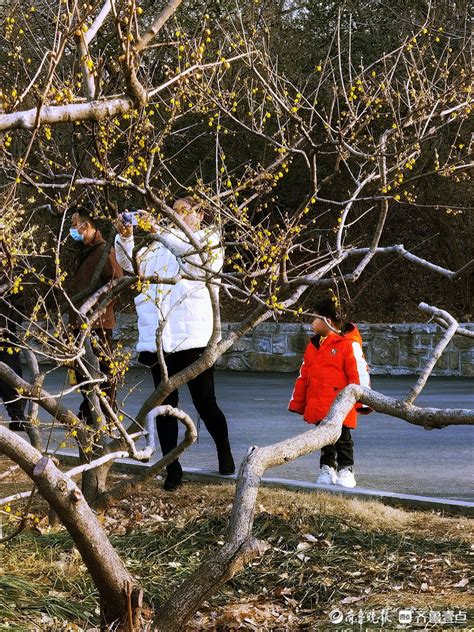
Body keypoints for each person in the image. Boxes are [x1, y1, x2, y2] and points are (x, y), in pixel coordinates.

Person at [115, 197, 235, 491]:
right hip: (160, 342)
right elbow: (132, 267)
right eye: (174, 212)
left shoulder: (208, 240)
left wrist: (159, 231)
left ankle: (224, 451)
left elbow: (196, 262)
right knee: (164, 408)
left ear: (200, 214)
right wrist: (126, 239)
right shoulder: (155, 246)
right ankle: (172, 468)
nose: (178, 216)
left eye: (184, 211)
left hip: (193, 338)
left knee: (205, 402)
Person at [288, 299, 371, 488]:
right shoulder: (314, 346)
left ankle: (346, 469)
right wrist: (298, 402)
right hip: (319, 404)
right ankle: (327, 468)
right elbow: (304, 376)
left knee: (343, 440)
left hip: (341, 405)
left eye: (314, 319)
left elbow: (358, 373)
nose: (311, 324)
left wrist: (363, 400)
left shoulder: (347, 344)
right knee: (324, 440)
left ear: (327, 320)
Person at [68, 207, 123, 428]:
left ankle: (105, 414)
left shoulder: (102, 251)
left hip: (98, 322)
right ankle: (90, 410)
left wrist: (97, 309)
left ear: (87, 226)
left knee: (102, 370)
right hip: (81, 321)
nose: (73, 230)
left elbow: (116, 280)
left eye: (75, 225)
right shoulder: (84, 251)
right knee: (82, 371)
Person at [0, 269, 27, 430]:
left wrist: (4, 327)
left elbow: (20, 310)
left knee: (10, 377)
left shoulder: (11, 278)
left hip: (6, 336)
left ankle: (18, 416)